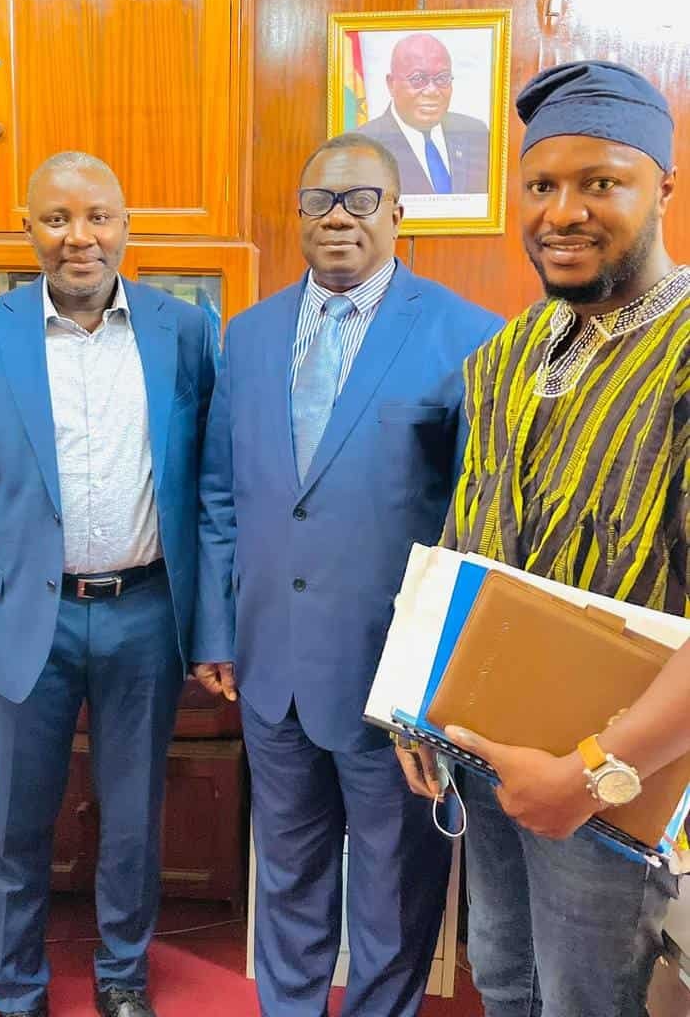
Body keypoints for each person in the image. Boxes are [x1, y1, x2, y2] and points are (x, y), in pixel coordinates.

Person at [396, 60, 690, 1017]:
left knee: (581, 1002)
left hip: (617, 785)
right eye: (541, 186)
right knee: (506, 979)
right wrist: (416, 709)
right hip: (490, 759)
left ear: (663, 187)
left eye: (601, 183)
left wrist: (595, 774)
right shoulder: (507, 354)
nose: (564, 213)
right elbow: (465, 545)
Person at [194, 132, 501, 1016]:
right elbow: (221, 495)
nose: (339, 217)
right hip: (270, 669)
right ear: (298, 215)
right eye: (320, 200)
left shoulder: (467, 335)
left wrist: (440, 678)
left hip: (391, 680)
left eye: (361, 199)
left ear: (398, 213)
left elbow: (478, 526)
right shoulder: (249, 336)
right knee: (287, 873)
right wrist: (217, 631)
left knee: (394, 891)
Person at [0, 151, 216, 1017]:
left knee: (133, 818)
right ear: (29, 229)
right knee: (17, 819)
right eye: (56, 219)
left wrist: (215, 630)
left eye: (98, 217)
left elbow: (212, 487)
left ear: (126, 226)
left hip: (147, 613)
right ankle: (17, 986)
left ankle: (123, 974)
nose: (78, 237)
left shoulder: (186, 330)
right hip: (26, 619)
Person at [359, 32, 490, 196]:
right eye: (418, 79)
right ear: (391, 84)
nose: (432, 91)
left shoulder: (475, 133)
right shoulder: (363, 145)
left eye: (442, 78)